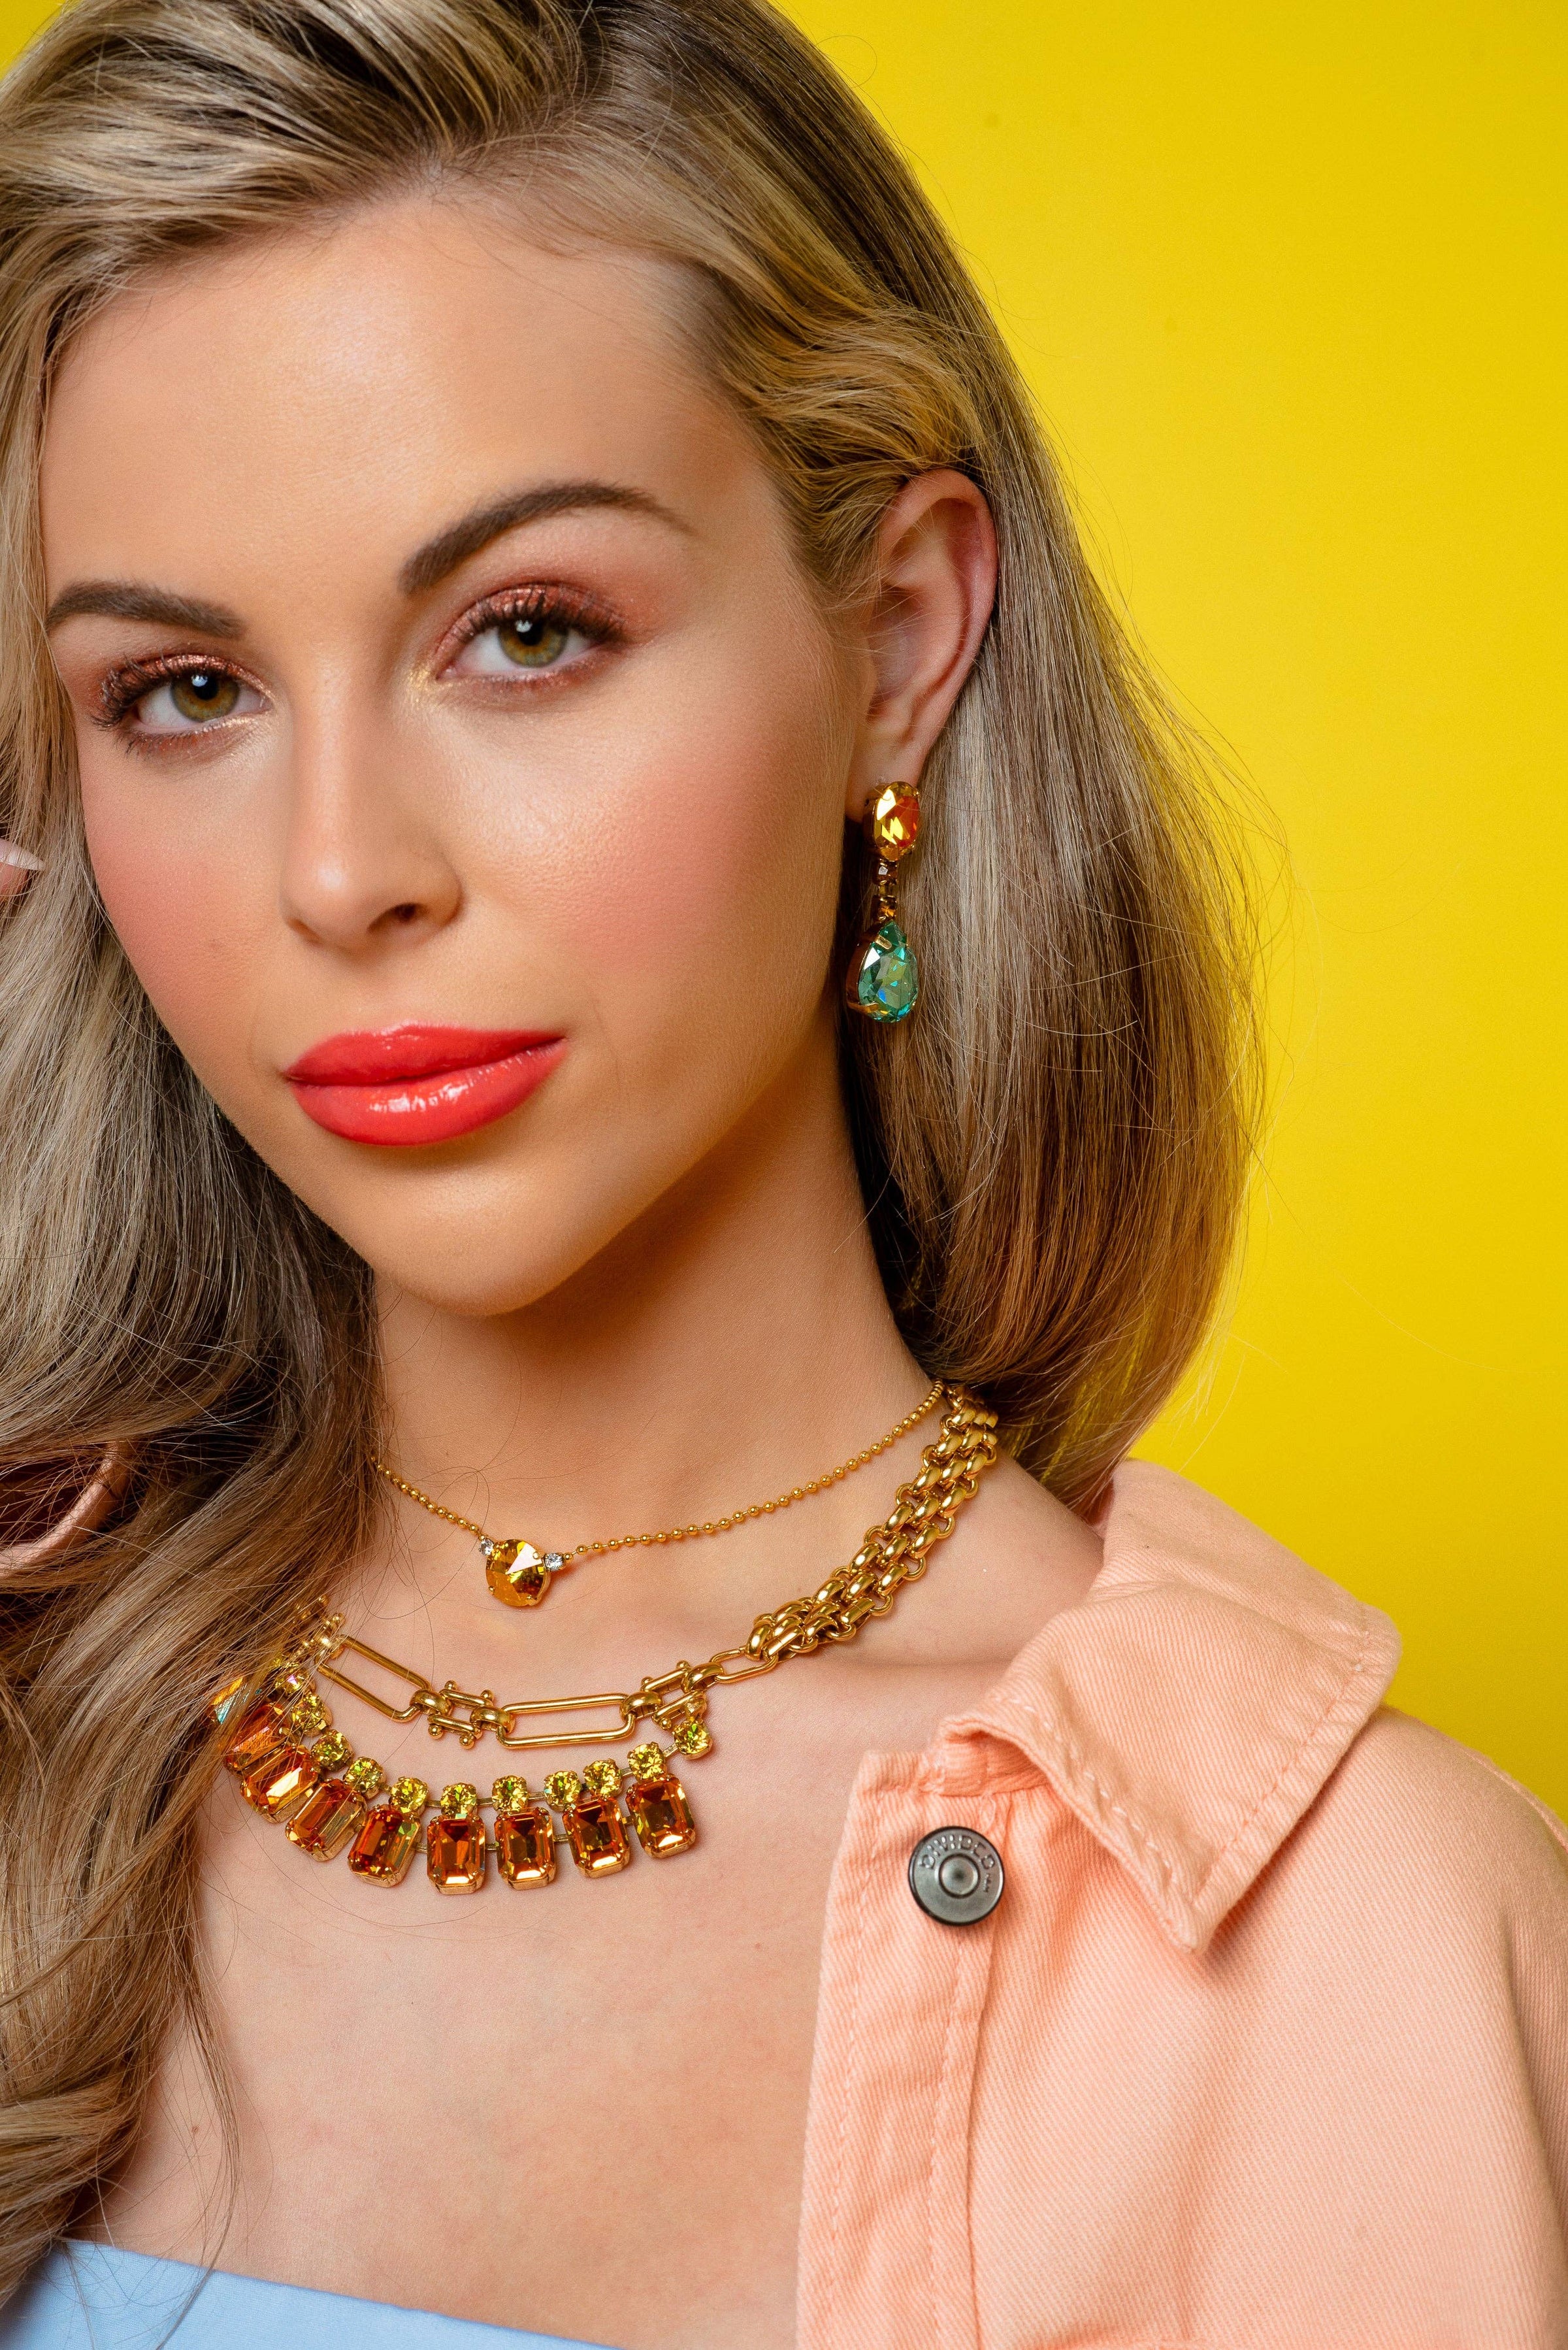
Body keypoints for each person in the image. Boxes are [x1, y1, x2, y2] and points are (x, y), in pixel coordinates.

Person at [0, 1, 1563, 2344]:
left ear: (899, 638)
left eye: (525, 634)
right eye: (184, 695)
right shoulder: (47, 1713)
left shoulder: (1351, 1936)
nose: (338, 873)